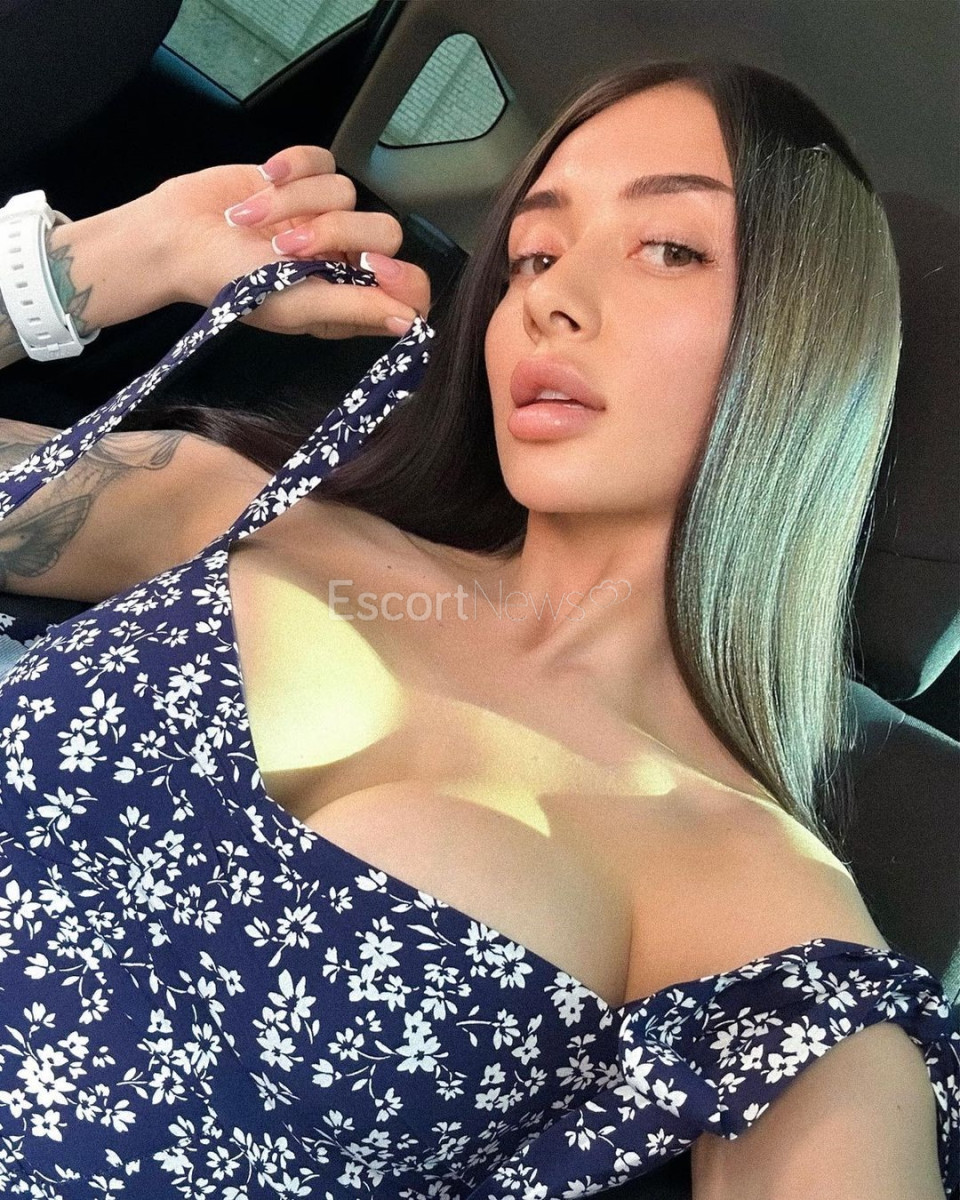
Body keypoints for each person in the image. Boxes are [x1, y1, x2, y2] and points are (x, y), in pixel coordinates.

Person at [0, 55, 956, 1199]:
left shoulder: (758, 909)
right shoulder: (241, 509)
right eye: (534, 255)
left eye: (669, 247)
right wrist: (115, 262)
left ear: (815, 348)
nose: (550, 298)